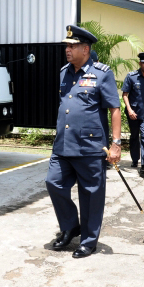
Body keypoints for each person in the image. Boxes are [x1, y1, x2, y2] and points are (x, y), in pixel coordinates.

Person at [46, 25, 122, 259]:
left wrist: (116, 144)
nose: (67, 50)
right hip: (64, 144)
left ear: (86, 49)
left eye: (72, 46)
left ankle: (88, 241)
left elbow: (115, 109)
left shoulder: (102, 73)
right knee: (53, 182)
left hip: (90, 146)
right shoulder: (64, 72)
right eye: (67, 46)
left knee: (91, 195)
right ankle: (71, 226)